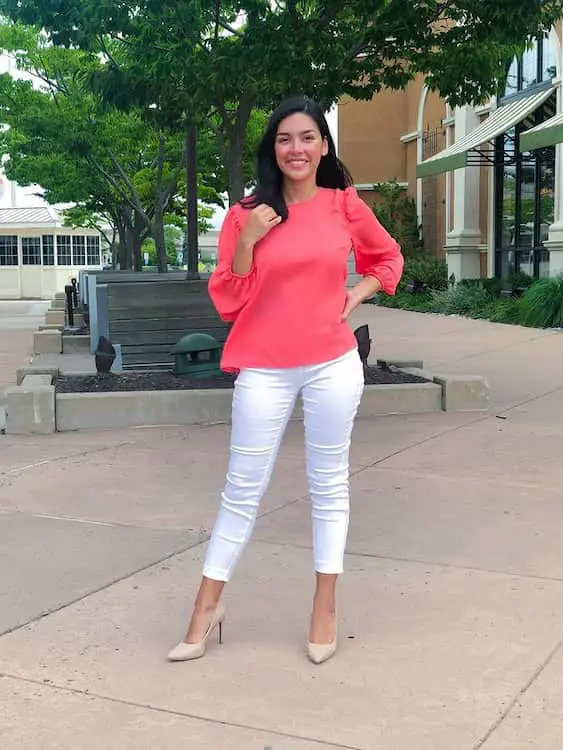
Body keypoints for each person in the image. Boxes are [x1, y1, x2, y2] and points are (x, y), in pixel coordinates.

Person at [168, 94, 403, 665]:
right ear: (272, 149)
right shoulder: (245, 213)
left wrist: (359, 291)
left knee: (329, 484)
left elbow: (388, 259)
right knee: (242, 488)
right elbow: (229, 298)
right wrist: (249, 238)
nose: (296, 149)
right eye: (284, 139)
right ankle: (206, 606)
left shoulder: (344, 205)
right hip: (264, 367)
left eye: (307, 138)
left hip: (331, 362)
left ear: (323, 145)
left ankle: (325, 604)